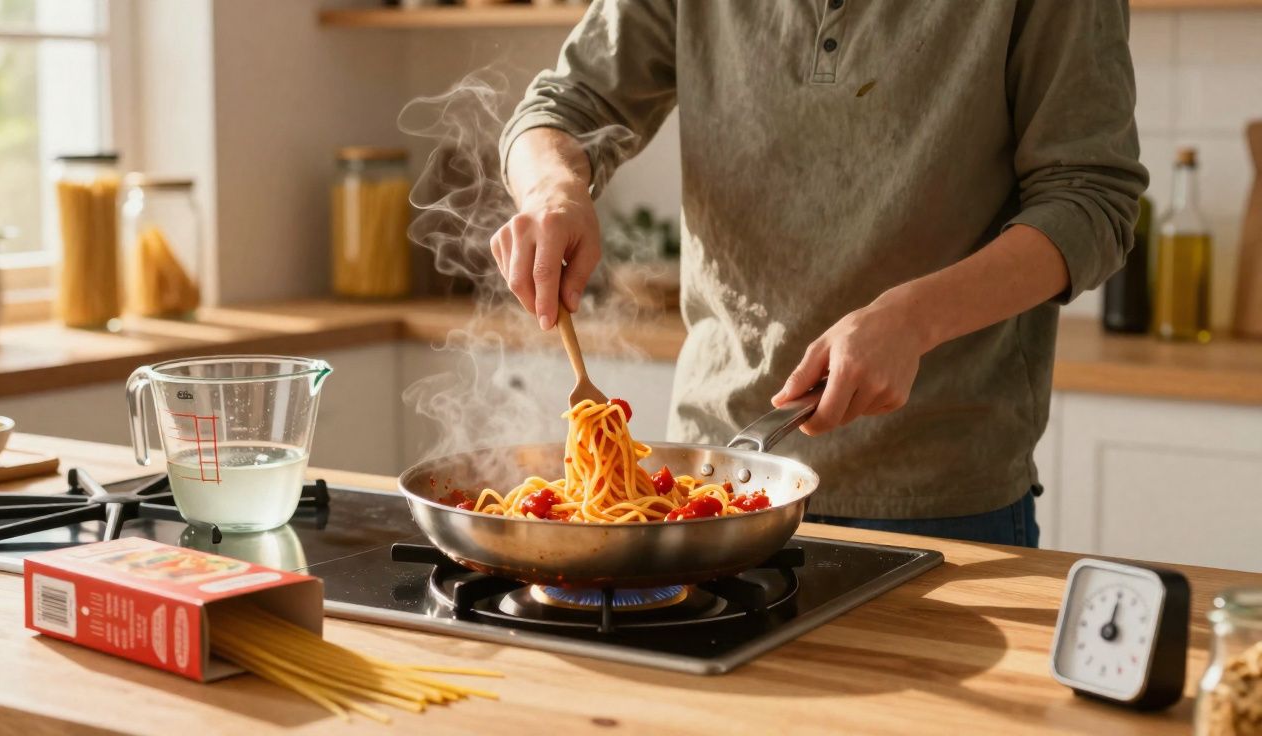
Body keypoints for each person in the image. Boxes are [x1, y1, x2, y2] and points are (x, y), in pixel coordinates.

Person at [490, 1, 1147, 547]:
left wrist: (912, 319)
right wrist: (552, 189)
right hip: (713, 484)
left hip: (941, 493)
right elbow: (560, 108)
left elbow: (1093, 200)